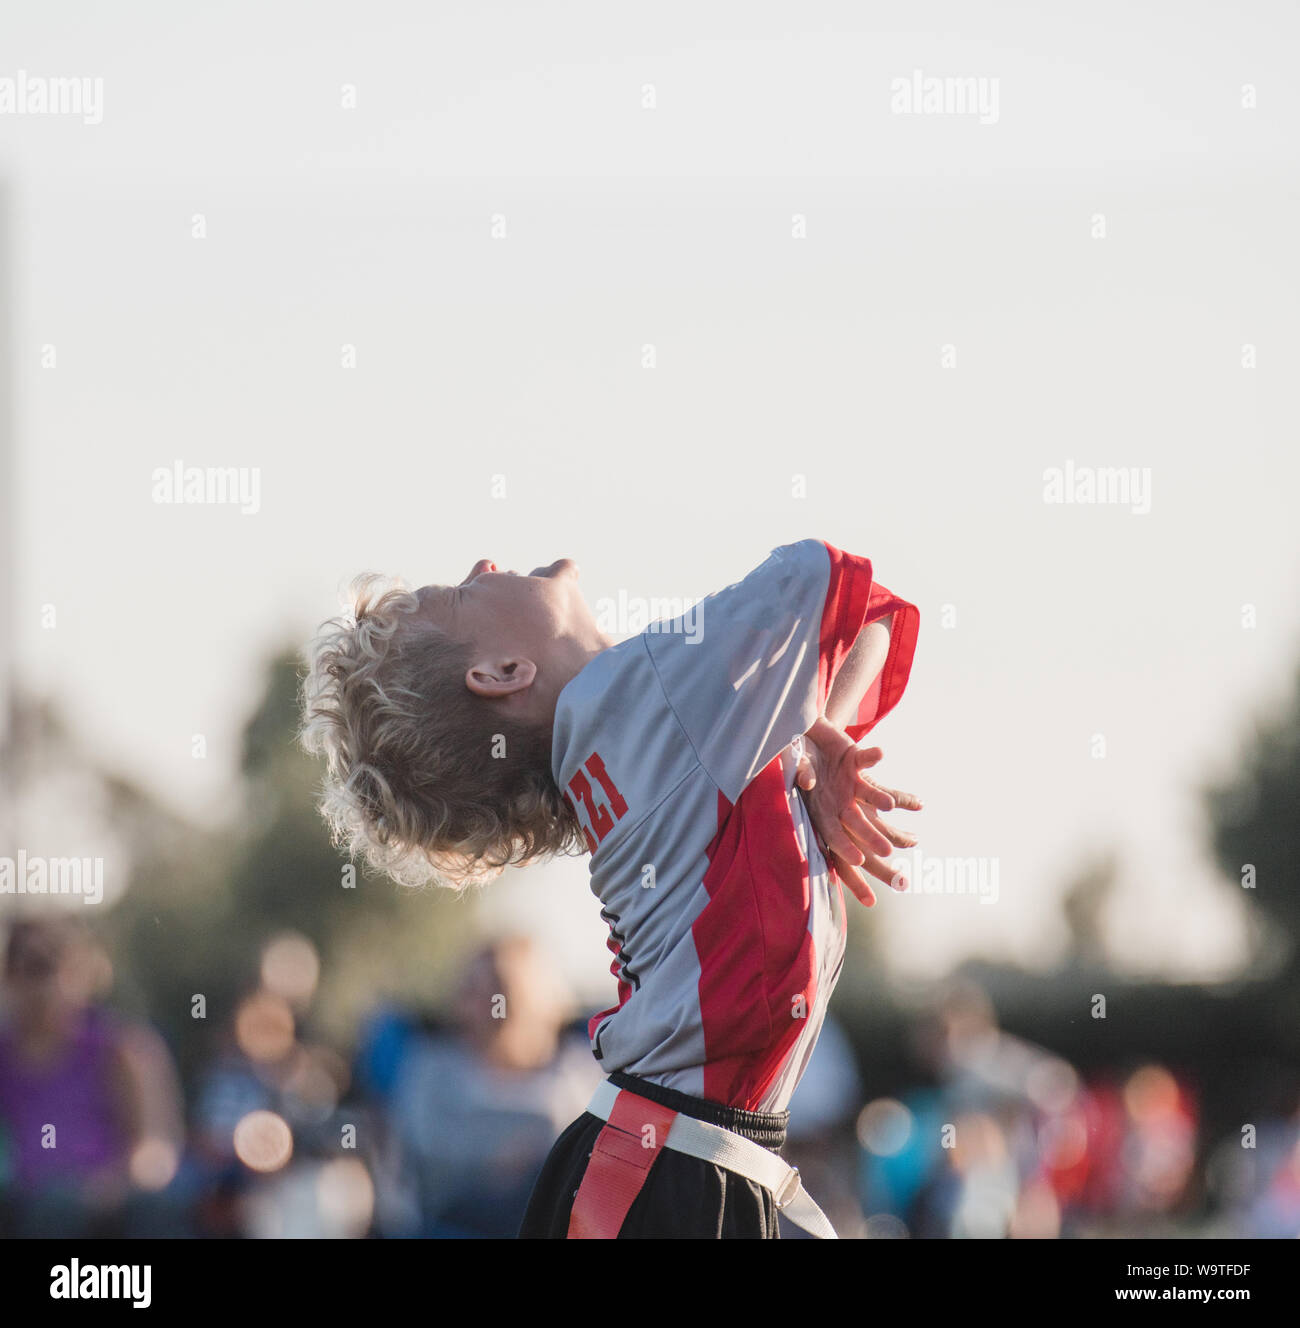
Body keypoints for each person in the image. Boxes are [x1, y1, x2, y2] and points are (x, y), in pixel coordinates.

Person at [300, 539, 921, 1237]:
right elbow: (829, 575)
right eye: (458, 596)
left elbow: (866, 605)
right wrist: (814, 721)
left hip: (657, 1161)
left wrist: (807, 730)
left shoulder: (633, 726)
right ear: (503, 672)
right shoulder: (644, 694)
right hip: (668, 1170)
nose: (483, 564)